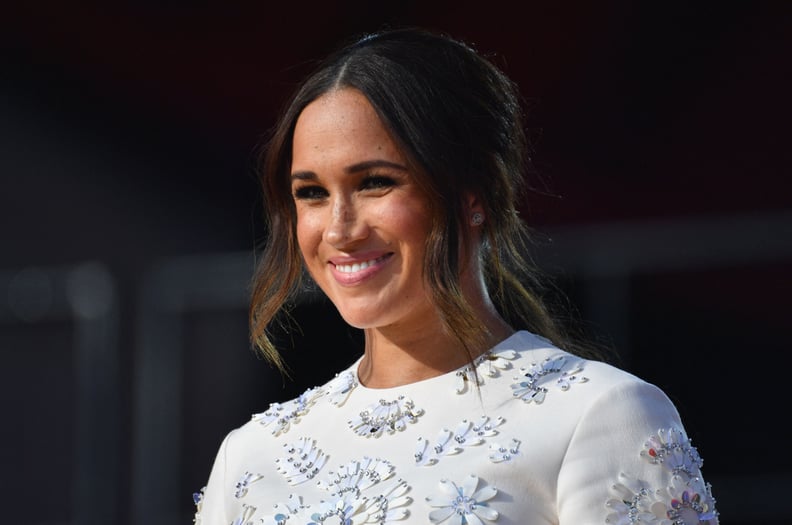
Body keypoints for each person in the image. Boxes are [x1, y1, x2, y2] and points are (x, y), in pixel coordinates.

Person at [194, 27, 719, 524]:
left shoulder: (598, 416)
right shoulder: (252, 455)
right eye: (311, 193)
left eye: (375, 182)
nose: (339, 229)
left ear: (476, 197)